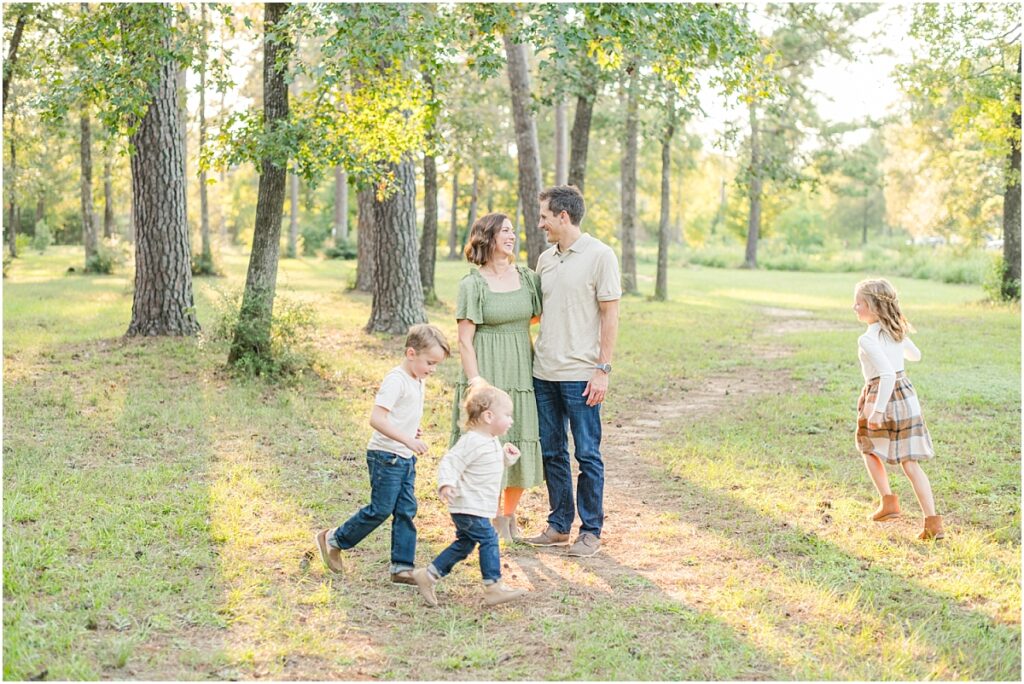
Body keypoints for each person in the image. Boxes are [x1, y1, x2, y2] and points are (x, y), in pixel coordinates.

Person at [522, 185, 621, 557]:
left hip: (582, 374)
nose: (541, 222)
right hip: (544, 372)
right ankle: (559, 525)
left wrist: (603, 369)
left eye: (545, 216)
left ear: (563, 216)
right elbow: (535, 311)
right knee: (552, 452)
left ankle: (590, 530)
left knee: (588, 455)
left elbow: (611, 314)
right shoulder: (545, 259)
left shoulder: (600, 256)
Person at [314, 324, 451, 582]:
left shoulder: (417, 379)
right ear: (411, 353)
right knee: (380, 509)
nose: (432, 370)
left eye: (436, 366)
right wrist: (406, 438)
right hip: (386, 456)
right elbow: (377, 419)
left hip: (404, 456)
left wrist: (412, 430)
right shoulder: (396, 380)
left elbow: (398, 416)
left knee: (406, 510)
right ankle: (333, 538)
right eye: (430, 363)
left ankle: (401, 567)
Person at [451, 212, 544, 542]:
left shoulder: (528, 277)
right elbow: (464, 339)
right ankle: (485, 515)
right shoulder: (472, 284)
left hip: (521, 366)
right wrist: (476, 381)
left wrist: (512, 333)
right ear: (487, 237)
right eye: (505, 231)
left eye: (513, 231)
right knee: (486, 444)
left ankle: (507, 517)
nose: (512, 235)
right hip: (487, 369)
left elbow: (533, 317)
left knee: (519, 436)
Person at [412, 383, 529, 607]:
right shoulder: (472, 441)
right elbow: (451, 461)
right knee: (489, 538)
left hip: (475, 506)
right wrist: (446, 484)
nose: (511, 420)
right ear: (488, 416)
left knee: (464, 544)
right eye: (507, 415)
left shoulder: (490, 441)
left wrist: (506, 457)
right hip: (467, 506)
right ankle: (493, 586)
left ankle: (427, 575)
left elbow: (487, 465)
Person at [853, 278, 944, 540]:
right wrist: (899, 336)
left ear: (873, 306)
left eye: (859, 303)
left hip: (882, 395)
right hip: (906, 396)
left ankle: (889, 502)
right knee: (910, 462)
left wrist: (879, 410)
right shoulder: (894, 331)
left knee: (867, 446)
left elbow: (886, 375)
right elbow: (915, 356)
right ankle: (932, 523)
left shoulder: (867, 339)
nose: (854, 307)